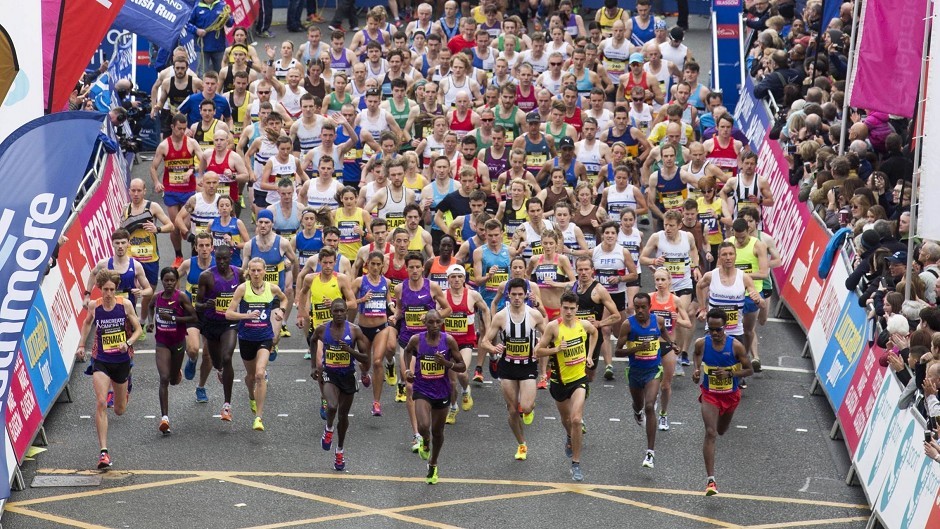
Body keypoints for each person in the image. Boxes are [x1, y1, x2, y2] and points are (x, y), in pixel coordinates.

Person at [77, 272, 143, 469]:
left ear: (116, 289)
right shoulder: (94, 306)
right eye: (105, 289)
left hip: (122, 359)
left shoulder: (125, 305)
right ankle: (103, 452)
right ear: (100, 288)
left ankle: (125, 387)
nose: (108, 294)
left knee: (120, 410)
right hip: (102, 359)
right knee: (100, 402)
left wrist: (128, 342)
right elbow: (87, 323)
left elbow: (138, 329)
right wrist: (81, 345)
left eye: (111, 290)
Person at [480, 277, 547, 460]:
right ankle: (521, 444)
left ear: (526, 295)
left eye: (520, 294)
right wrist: (494, 348)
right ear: (508, 295)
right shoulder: (501, 316)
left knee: (525, 406)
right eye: (514, 294)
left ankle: (529, 409)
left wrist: (541, 343)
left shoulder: (533, 315)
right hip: (507, 366)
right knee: (511, 409)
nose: (517, 298)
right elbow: (485, 340)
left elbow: (548, 333)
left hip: (527, 366)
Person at [391, 253, 452, 452]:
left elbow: (448, 308)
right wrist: (394, 317)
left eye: (418, 267)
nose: (415, 270)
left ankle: (432, 416)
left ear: (422, 269)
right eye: (411, 267)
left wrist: (432, 319)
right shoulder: (400, 288)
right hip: (408, 341)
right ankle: (417, 434)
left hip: (429, 343)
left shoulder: (432, 287)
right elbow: (400, 311)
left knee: (435, 381)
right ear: (406, 269)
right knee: (410, 386)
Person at [535, 291, 598, 482]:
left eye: (572, 308)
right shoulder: (553, 328)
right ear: (560, 307)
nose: (568, 312)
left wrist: (589, 356)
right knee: (567, 421)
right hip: (559, 382)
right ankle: (570, 437)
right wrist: (556, 349)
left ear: (577, 309)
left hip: (579, 379)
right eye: (565, 308)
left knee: (577, 419)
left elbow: (595, 333)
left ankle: (576, 464)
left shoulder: (583, 325)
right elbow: (538, 351)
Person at [693, 309, 753, 496]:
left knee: (721, 430)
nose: (715, 333)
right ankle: (711, 481)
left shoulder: (736, 346)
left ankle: (711, 480)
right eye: (711, 330)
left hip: (730, 395)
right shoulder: (702, 343)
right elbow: (696, 355)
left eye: (718, 330)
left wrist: (731, 373)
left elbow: (749, 370)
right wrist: (696, 371)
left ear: (725, 327)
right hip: (710, 394)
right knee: (711, 432)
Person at [226, 258, 289, 432]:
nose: (255, 274)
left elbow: (284, 299)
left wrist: (281, 312)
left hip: (264, 337)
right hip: (246, 337)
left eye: (258, 270)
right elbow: (229, 314)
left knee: (260, 374)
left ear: (264, 271)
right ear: (248, 272)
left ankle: (258, 418)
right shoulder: (243, 289)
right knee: (251, 376)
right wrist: (246, 316)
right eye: (252, 270)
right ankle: (250, 395)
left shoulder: (272, 288)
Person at [402, 310, 465, 484]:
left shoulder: (448, 340)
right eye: (431, 322)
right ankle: (425, 442)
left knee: (438, 431)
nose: (435, 325)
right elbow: (407, 352)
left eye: (438, 322)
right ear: (426, 324)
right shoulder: (417, 340)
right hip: (422, 389)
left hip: (441, 391)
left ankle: (434, 463)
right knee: (424, 426)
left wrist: (446, 363)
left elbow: (462, 366)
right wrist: (407, 370)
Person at [311, 299, 372, 471]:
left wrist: (350, 351)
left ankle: (340, 450)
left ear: (346, 312)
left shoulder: (354, 330)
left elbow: (366, 358)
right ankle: (328, 428)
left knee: (343, 417)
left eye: (341, 311)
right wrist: (314, 367)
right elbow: (313, 340)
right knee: (331, 406)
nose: (338, 314)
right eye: (335, 311)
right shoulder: (323, 329)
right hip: (330, 374)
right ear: (331, 311)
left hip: (348, 377)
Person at [297, 247, 358, 417]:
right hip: (320, 330)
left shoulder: (341, 279)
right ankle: (324, 398)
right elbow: (302, 294)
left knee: (338, 366)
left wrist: (335, 304)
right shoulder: (310, 279)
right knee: (319, 365)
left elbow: (353, 303)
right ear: (319, 263)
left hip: (338, 329)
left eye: (331, 263)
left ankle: (342, 388)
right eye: (325, 263)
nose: (328, 266)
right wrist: (302, 313)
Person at [695, 242, 764, 388]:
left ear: (735, 256)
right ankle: (712, 389)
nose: (728, 258)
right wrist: (702, 308)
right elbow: (699, 286)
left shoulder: (743, 278)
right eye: (724, 254)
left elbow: (761, 304)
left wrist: (758, 300)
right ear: (719, 257)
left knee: (735, 364)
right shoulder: (710, 276)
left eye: (731, 254)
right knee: (714, 360)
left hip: (735, 330)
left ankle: (735, 379)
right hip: (713, 328)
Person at [615, 292, 671, 469]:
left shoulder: (658, 321)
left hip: (653, 370)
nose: (639, 310)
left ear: (649, 307)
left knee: (649, 406)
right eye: (636, 307)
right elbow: (618, 351)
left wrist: (672, 343)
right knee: (639, 406)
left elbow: (663, 333)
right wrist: (637, 348)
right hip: (635, 372)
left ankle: (650, 453)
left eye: (643, 307)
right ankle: (636, 411)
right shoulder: (627, 325)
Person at [195, 245, 243, 422]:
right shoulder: (206, 276)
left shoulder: (240, 274)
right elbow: (197, 304)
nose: (222, 262)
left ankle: (227, 405)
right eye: (219, 259)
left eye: (225, 259)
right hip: (211, 324)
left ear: (231, 258)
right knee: (217, 362)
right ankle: (220, 370)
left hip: (229, 323)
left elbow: (246, 297)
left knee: (227, 357)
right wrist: (206, 305)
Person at [150, 113, 205, 267]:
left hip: (189, 190)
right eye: (179, 128)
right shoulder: (164, 146)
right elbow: (153, 167)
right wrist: (156, 182)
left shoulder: (192, 143)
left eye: (184, 128)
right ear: (172, 127)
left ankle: (195, 254)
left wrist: (194, 171)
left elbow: (204, 160)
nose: (182, 131)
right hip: (172, 191)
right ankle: (178, 255)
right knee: (175, 227)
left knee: (186, 226)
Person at [122, 178, 174, 335]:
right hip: (132, 258)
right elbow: (120, 231)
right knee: (133, 291)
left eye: (139, 190)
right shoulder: (126, 209)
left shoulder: (153, 207)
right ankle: (132, 324)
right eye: (133, 190)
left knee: (148, 293)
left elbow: (170, 226)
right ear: (129, 191)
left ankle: (142, 321)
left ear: (144, 191)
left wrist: (156, 229)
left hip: (150, 259)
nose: (136, 194)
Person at [150, 267, 198, 434]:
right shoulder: (157, 298)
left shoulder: (182, 297)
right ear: (161, 281)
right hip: (162, 342)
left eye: (172, 280)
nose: (169, 283)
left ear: (177, 281)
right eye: (166, 280)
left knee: (172, 380)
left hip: (177, 341)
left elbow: (194, 317)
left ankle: (177, 372)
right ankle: (165, 418)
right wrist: (150, 323)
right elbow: (150, 308)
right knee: (163, 378)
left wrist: (173, 318)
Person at [441, 264, 489, 424]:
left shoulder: (472, 295)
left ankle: (466, 389)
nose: (456, 280)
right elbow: (434, 315)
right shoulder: (442, 296)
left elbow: (486, 309)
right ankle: (453, 407)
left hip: (465, 343)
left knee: (461, 373)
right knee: (451, 381)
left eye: (459, 277)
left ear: (464, 278)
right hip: (447, 343)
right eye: (453, 277)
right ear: (448, 280)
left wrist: (487, 330)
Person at [593, 221, 639, 379]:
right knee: (605, 330)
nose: (610, 236)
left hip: (618, 295)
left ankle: (633, 354)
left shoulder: (623, 252)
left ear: (616, 235)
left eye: (613, 233)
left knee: (620, 331)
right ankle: (609, 365)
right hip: (601, 296)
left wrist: (619, 278)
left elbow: (634, 274)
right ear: (602, 235)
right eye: (607, 233)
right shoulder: (596, 251)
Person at [352, 252, 396, 416]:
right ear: (367, 264)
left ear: (383, 266)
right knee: (366, 363)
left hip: (381, 327)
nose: (376, 268)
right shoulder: (359, 281)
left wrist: (393, 309)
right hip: (363, 328)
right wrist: (361, 300)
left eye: (379, 265)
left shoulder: (386, 281)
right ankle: (363, 373)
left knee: (378, 362)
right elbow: (348, 301)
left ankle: (376, 403)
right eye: (373, 264)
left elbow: (389, 299)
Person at [649, 267, 692, 430]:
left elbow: (688, 323)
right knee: (650, 381)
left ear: (669, 281)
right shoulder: (649, 298)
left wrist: (677, 320)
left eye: (663, 280)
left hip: (668, 346)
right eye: (657, 280)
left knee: (666, 385)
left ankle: (664, 413)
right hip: (651, 344)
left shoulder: (675, 301)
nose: (660, 283)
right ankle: (650, 403)